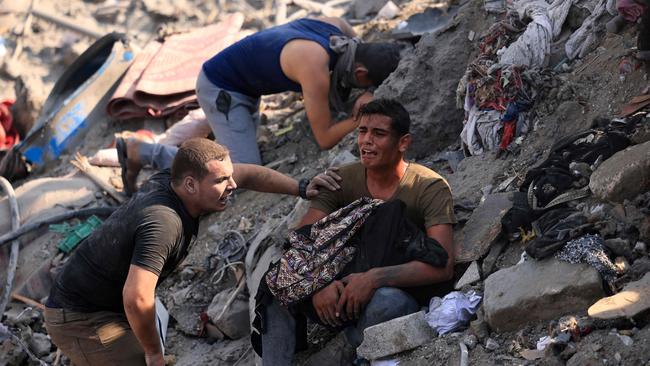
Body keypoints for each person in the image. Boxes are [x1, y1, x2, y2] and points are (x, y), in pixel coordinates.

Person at [44, 138, 339, 366]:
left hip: (107, 302)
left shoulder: (176, 179)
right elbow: (136, 298)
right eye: (221, 181)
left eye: (229, 176)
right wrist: (153, 353)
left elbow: (246, 175)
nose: (232, 185)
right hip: (81, 317)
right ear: (190, 184)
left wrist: (301, 187)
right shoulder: (164, 223)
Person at [259, 99, 457, 365]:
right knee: (276, 285)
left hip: (388, 286)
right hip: (339, 280)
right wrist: (319, 284)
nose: (366, 141)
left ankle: (350, 351)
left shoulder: (429, 187)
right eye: (362, 131)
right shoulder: (341, 179)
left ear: (403, 142)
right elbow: (300, 243)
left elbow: (442, 266)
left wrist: (374, 278)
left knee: (389, 303)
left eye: (379, 134)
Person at [118, 16, 403, 195]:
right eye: (365, 85)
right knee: (238, 173)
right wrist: (359, 117)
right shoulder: (314, 68)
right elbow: (325, 138)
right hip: (222, 88)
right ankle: (141, 151)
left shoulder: (338, 28)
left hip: (245, 81)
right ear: (362, 73)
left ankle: (220, 130)